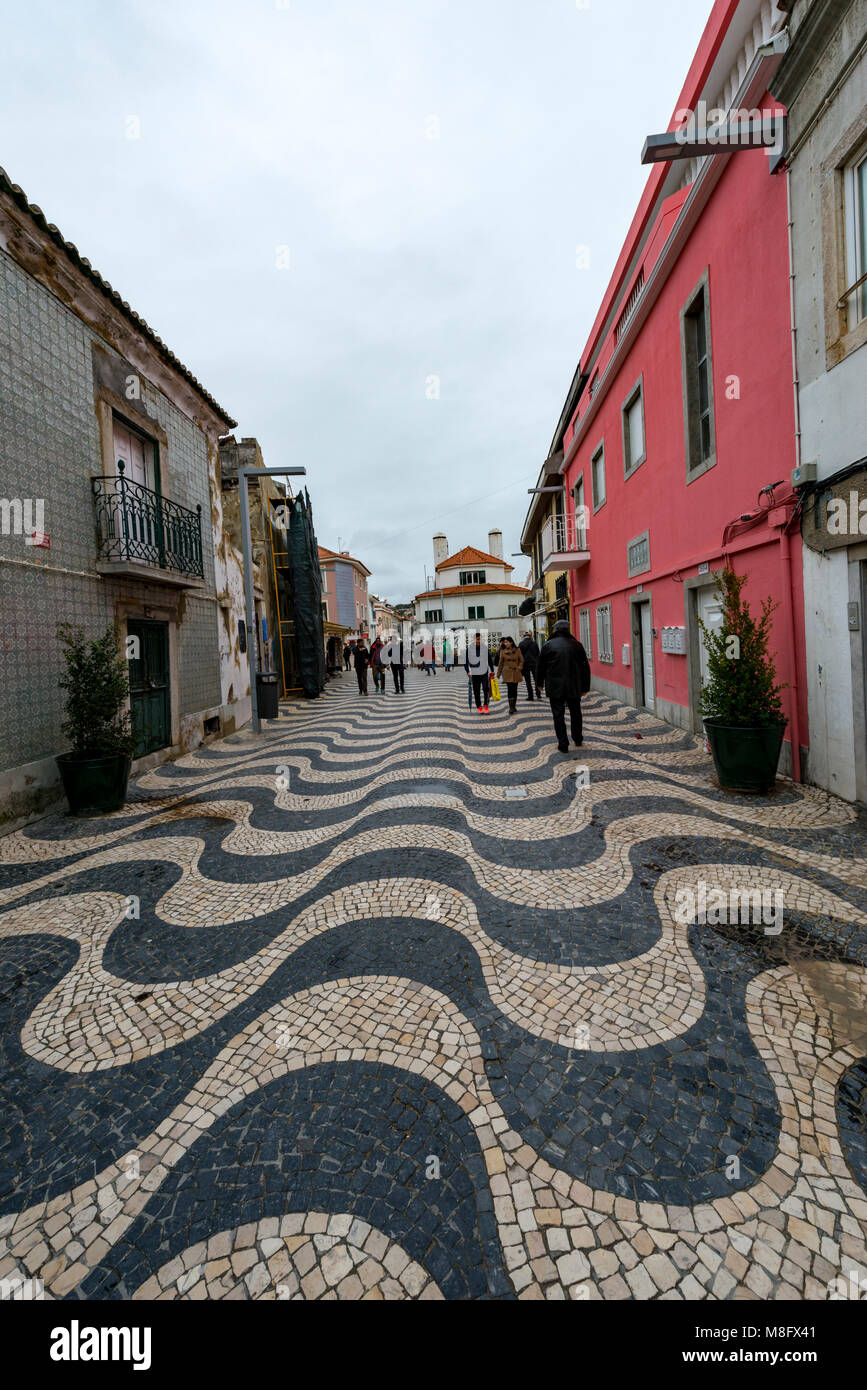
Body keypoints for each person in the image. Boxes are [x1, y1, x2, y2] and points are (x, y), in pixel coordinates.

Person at [536, 618, 591, 752]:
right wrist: (585, 687)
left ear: (555, 630)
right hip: (574, 685)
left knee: (558, 714)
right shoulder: (577, 645)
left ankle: (563, 743)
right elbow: (585, 667)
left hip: (555, 686)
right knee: (576, 712)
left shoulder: (548, 645)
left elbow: (540, 666)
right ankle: (577, 738)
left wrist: (539, 683)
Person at [465, 631, 494, 714]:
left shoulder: (484, 648)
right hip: (474, 673)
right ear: (474, 640)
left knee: (486, 689)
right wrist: (467, 671)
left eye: (480, 639)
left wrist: (492, 670)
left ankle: (485, 705)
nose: (479, 641)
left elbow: (489, 660)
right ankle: (479, 706)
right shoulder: (469, 649)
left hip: (484, 672)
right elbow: (465, 662)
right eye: (477, 639)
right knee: (476, 690)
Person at [496, 636, 524, 714]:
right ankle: (511, 707)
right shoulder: (503, 651)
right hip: (507, 672)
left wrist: (519, 667)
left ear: (511, 642)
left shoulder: (517, 650)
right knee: (510, 689)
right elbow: (500, 663)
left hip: (516, 672)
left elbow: (521, 660)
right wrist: (498, 674)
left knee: (515, 689)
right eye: (505, 642)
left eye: (507, 642)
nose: (505, 643)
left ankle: (514, 706)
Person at [518, 630, 541, 701]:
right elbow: (538, 653)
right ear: (530, 637)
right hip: (534, 664)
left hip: (525, 665)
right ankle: (538, 694)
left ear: (524, 637)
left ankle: (530, 696)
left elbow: (519, 655)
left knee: (528, 681)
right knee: (536, 679)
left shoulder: (521, 644)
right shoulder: (534, 643)